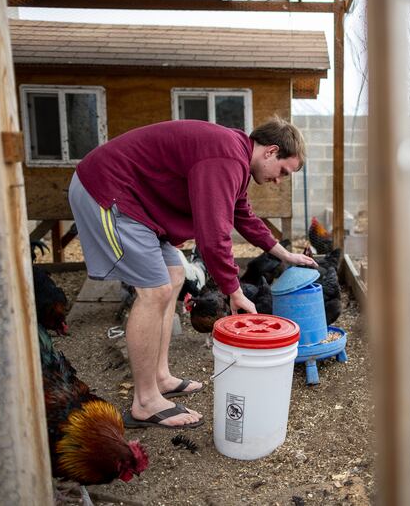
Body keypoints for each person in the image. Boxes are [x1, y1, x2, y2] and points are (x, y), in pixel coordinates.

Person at [68, 117, 316, 429]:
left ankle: (160, 376)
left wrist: (283, 253)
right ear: (271, 151)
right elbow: (213, 236)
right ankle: (145, 401)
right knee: (153, 291)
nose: (280, 180)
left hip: (137, 202)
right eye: (283, 172)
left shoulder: (235, 158)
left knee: (173, 275)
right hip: (106, 191)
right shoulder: (226, 156)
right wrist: (234, 291)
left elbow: (243, 216)